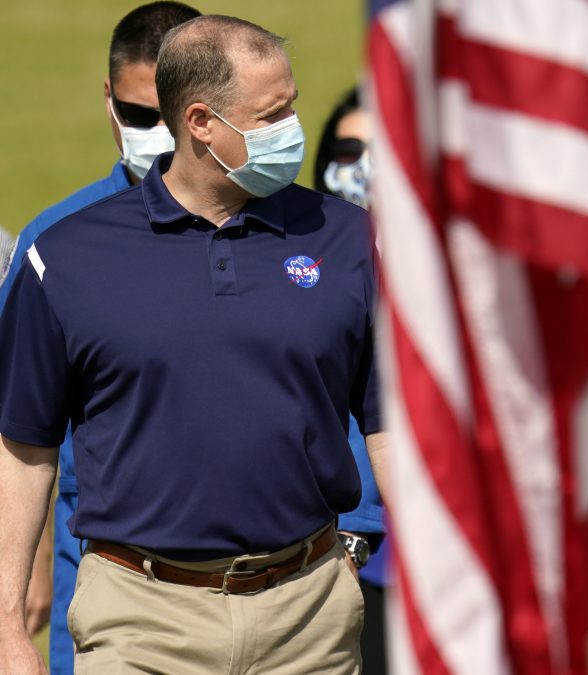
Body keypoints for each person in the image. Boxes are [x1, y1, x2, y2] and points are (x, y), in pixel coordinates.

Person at [0, 14, 386, 674]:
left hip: (309, 621)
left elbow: (393, 427)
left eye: (291, 105)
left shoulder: (351, 241)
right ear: (202, 123)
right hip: (140, 623)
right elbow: (23, 447)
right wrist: (8, 625)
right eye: (272, 115)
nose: (292, 129)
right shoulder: (62, 257)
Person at [0, 4, 201, 672]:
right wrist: (17, 587)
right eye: (140, 115)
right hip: (99, 578)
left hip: (272, 585)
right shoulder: (55, 242)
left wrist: (355, 536)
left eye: (174, 115)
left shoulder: (294, 235)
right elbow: (17, 425)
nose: (159, 136)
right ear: (107, 100)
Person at [314, 85, 391, 675]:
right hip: (319, 548)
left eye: (379, 151)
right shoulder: (295, 264)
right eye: (348, 151)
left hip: (411, 552)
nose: (362, 167)